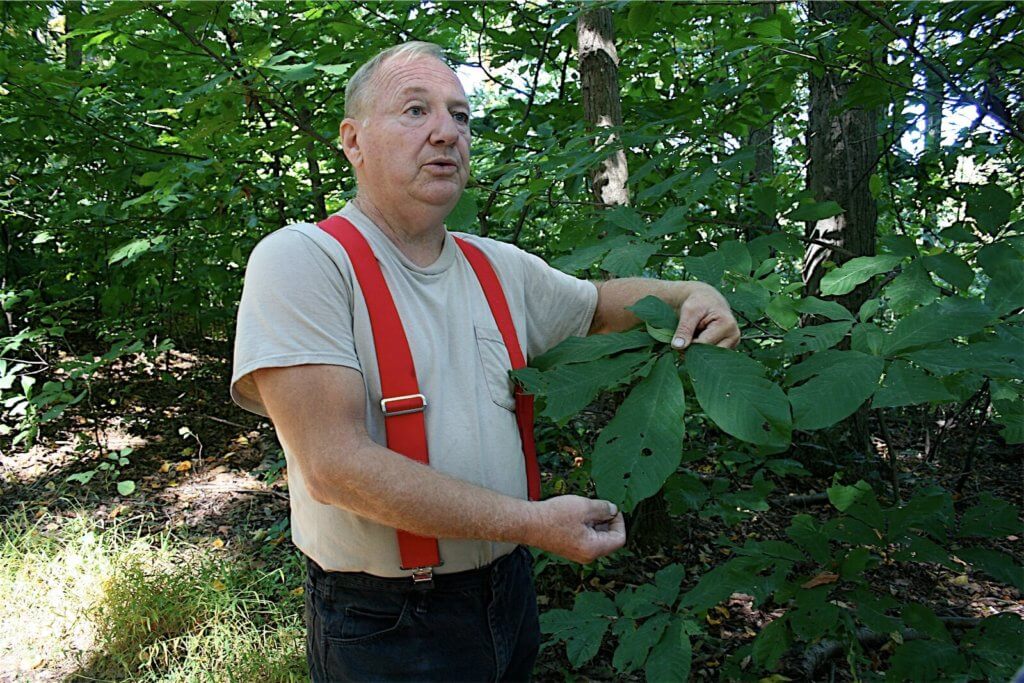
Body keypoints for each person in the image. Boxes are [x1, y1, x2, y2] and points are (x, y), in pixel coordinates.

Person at [231, 41, 740, 682]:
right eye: (415, 110)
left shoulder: (494, 265)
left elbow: (599, 307)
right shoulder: (304, 261)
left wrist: (691, 293)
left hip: (508, 592)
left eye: (460, 115)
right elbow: (335, 468)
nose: (446, 131)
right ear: (354, 141)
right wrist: (532, 523)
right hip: (387, 622)